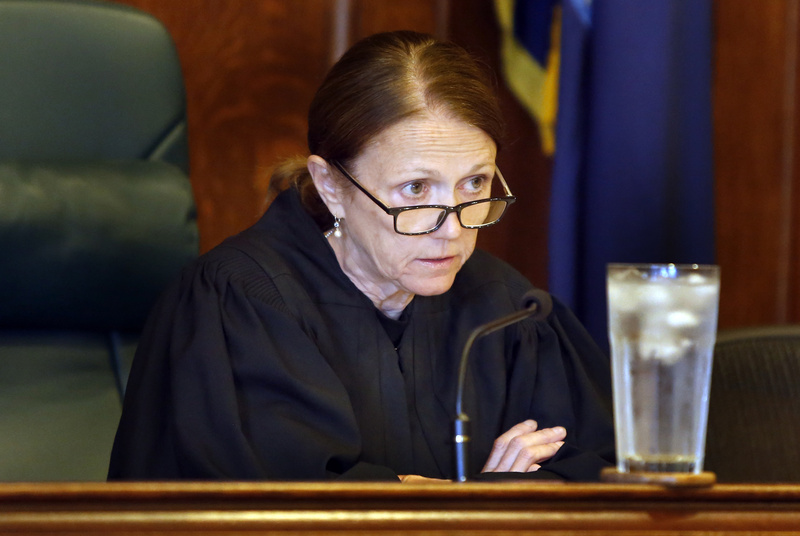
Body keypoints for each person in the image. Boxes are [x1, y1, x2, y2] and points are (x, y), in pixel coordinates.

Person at [108, 30, 614, 482]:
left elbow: (599, 473)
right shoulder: (236, 305)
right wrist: (477, 505)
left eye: (475, 183)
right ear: (330, 184)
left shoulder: (509, 311)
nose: (454, 228)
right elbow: (284, 510)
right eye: (415, 189)